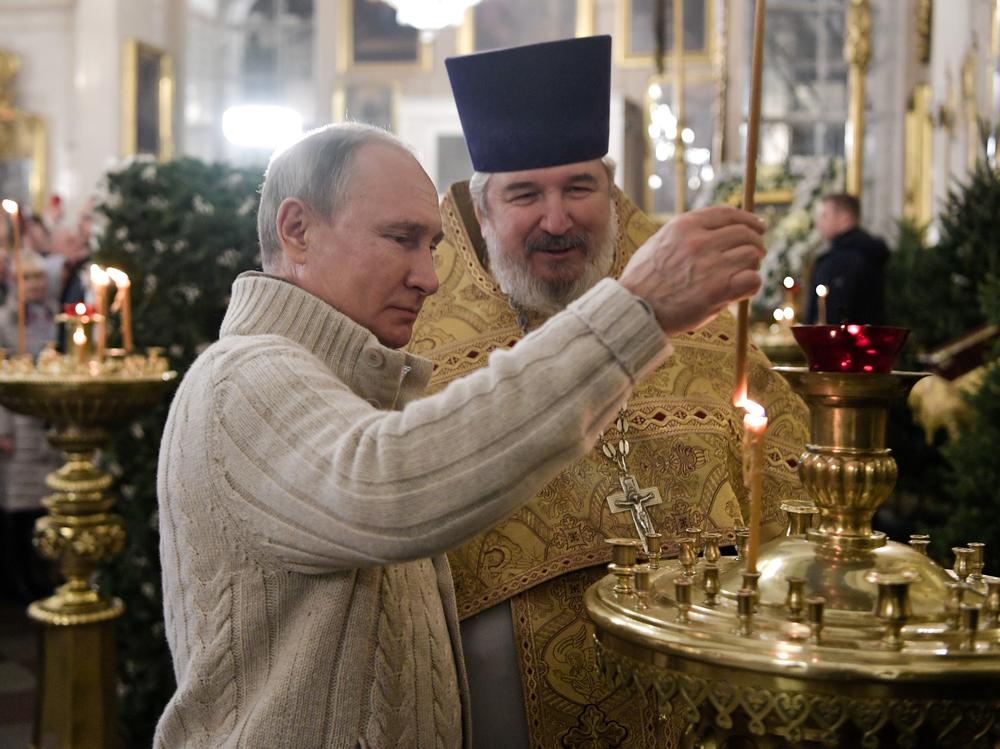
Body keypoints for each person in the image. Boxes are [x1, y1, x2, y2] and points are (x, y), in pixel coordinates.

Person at [155, 121, 769, 747]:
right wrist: (635, 310)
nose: (429, 276)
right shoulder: (242, 377)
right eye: (401, 240)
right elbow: (389, 488)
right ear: (297, 230)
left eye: (432, 245)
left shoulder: (335, 382)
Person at [404, 36, 810, 746]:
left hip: (699, 675)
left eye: (579, 188)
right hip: (502, 689)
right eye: (526, 194)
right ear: (483, 205)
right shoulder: (420, 331)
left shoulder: (695, 298)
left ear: (611, 189)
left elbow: (787, 472)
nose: (557, 220)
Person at [0, 252, 61, 603]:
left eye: (39, 279)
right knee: (18, 506)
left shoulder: (50, 314)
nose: (36, 285)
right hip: (17, 420)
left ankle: (41, 575)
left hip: (46, 417)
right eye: (28, 279)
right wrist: (4, 429)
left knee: (42, 503)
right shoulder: (7, 320)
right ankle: (17, 579)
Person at [805, 192, 889, 325]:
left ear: (845, 218)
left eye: (824, 215)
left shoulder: (841, 262)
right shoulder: (870, 253)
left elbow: (834, 314)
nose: (818, 222)